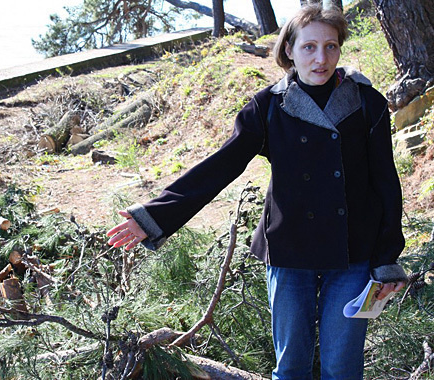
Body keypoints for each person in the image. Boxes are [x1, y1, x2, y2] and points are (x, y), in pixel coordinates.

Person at [107, 4, 408, 379]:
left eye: (331, 47)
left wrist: (387, 255)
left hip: (354, 252)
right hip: (289, 251)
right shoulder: (268, 107)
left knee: (342, 368)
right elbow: (219, 168)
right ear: (289, 51)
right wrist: (153, 217)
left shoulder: (367, 102)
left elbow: (385, 182)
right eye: (309, 47)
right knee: (292, 366)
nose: (321, 58)